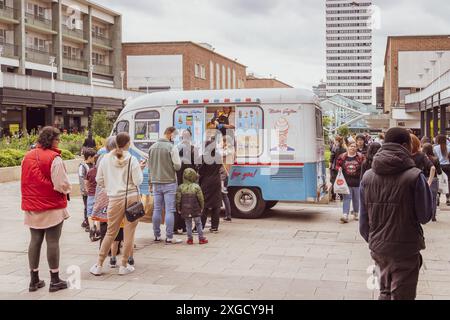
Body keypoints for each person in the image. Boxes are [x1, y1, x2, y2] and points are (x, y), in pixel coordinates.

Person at [359, 127, 433, 300]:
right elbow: (425, 216)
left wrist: (374, 240)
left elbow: (363, 223)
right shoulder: (414, 176)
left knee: (384, 292)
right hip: (406, 248)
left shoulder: (368, 177)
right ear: (406, 145)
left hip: (378, 248)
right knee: (403, 295)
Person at [21, 126, 70, 293]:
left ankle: (33, 280)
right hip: (52, 206)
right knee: (53, 241)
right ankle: (55, 280)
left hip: (32, 206)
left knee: (35, 240)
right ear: (52, 140)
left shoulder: (27, 157)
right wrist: (68, 189)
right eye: (57, 139)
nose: (59, 142)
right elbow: (61, 184)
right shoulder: (54, 158)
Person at [90, 132, 145, 276]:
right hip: (131, 198)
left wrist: (110, 186)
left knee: (110, 232)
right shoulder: (132, 159)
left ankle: (99, 264)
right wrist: (140, 168)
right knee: (129, 234)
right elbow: (138, 181)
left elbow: (99, 180)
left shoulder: (105, 159)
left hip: (114, 199)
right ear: (127, 143)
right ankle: (124, 265)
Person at [149, 127, 183, 244]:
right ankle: (169, 237)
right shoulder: (171, 147)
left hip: (155, 182)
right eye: (174, 135)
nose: (174, 138)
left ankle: (157, 235)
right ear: (169, 134)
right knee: (169, 210)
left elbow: (150, 167)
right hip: (169, 181)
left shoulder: (152, 148)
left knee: (157, 209)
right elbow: (178, 166)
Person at [174, 128, 199, 234]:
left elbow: (197, 165)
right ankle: (177, 225)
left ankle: (184, 226)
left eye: (187, 135)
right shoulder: (177, 148)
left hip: (189, 180)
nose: (186, 137)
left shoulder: (194, 149)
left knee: (187, 201)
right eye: (184, 135)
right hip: (179, 178)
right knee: (178, 201)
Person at [176, 168, 208, 245]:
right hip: (195, 208)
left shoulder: (180, 187)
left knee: (188, 224)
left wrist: (178, 208)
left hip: (185, 208)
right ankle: (201, 238)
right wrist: (202, 207)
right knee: (198, 223)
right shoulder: (196, 187)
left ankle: (190, 239)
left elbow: (178, 199)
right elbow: (201, 199)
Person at [336, 141, 364, 223]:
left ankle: (356, 213)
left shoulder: (360, 156)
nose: (353, 148)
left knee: (356, 199)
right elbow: (337, 165)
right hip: (346, 182)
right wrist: (339, 168)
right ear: (347, 147)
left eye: (354, 146)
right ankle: (345, 214)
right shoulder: (342, 156)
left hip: (357, 182)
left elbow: (365, 166)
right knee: (347, 198)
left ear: (356, 148)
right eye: (351, 146)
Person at [199, 140, 223, 233]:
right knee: (216, 205)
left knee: (204, 204)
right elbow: (220, 166)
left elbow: (201, 171)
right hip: (216, 181)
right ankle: (214, 227)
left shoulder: (203, 157)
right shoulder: (218, 156)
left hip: (206, 182)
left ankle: (200, 226)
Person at [422, 143, 442, 222]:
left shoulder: (422, 158)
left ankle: (425, 215)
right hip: (434, 179)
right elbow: (439, 172)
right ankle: (433, 216)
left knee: (424, 198)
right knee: (433, 198)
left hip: (423, 179)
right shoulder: (435, 159)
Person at [79, 148, 96, 231]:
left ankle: (88, 222)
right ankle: (87, 223)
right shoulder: (82, 166)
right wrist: (85, 190)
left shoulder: (93, 165)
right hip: (87, 192)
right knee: (87, 207)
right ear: (89, 157)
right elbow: (82, 179)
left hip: (92, 192)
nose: (94, 159)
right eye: (93, 157)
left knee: (91, 207)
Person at [85, 154, 101, 242]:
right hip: (99, 194)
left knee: (90, 213)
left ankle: (92, 229)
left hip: (91, 194)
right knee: (98, 212)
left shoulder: (90, 171)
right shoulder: (102, 171)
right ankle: (98, 230)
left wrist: (88, 190)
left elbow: (86, 182)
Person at [433, 135, 450, 206]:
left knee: (439, 181)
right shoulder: (449, 148)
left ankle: (438, 197)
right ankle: (448, 198)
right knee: (448, 182)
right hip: (448, 166)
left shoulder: (435, 148)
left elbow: (435, 158)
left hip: (439, 166)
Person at [329, 136, 347, 201]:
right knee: (341, 181)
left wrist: (330, 166)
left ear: (336, 140)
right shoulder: (345, 149)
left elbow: (332, 157)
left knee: (333, 181)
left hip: (334, 167)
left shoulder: (335, 148)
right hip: (341, 167)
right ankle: (341, 196)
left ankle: (333, 196)